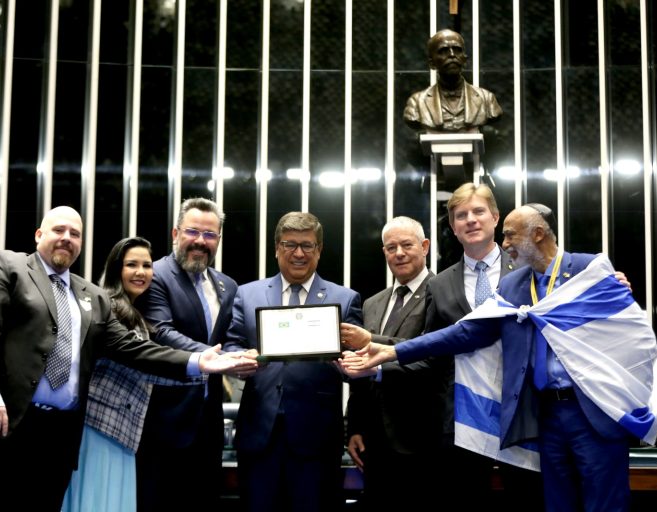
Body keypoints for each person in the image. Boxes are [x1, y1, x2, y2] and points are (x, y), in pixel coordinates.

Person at [0, 206, 256, 512]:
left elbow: (135, 349)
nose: (67, 238)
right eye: (59, 230)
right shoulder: (7, 265)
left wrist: (199, 362)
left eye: (75, 234)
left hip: (58, 436)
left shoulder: (91, 296)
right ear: (39, 234)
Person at [342, 203, 649, 512]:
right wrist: (393, 351)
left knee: (606, 505)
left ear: (538, 234)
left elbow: (630, 334)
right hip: (544, 416)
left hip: (593, 411)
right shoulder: (513, 285)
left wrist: (615, 290)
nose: (504, 244)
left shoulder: (588, 269)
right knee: (557, 504)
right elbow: (467, 332)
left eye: (511, 235)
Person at [224, 211, 363, 512]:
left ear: (319, 250)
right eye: (290, 244)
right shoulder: (247, 294)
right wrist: (240, 360)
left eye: (307, 245)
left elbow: (357, 364)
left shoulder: (345, 298)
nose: (298, 253)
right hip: (259, 436)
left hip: (317, 440)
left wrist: (348, 365)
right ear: (277, 248)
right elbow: (231, 345)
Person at [425, 183, 542, 508]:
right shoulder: (439, 284)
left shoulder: (529, 270)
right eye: (461, 215)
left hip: (520, 414)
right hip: (463, 419)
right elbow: (432, 351)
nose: (471, 220)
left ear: (495, 218)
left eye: (478, 211)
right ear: (453, 227)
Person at [136, 197, 250, 510]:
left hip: (208, 424)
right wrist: (216, 359)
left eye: (210, 234)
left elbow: (231, 340)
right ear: (176, 233)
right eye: (193, 232)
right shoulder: (155, 275)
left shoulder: (228, 286)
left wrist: (243, 356)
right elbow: (162, 332)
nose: (200, 241)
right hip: (163, 421)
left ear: (218, 240)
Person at [62, 237, 192, 510]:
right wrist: (202, 366)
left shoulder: (132, 310)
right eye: (131, 264)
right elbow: (143, 363)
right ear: (116, 268)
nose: (140, 272)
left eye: (147, 265)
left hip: (119, 430)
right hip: (99, 426)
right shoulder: (109, 307)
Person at [339, 216, 450, 510]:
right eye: (391, 247)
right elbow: (362, 371)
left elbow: (434, 357)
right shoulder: (372, 303)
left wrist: (374, 356)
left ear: (425, 246)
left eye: (406, 245)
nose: (399, 253)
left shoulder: (443, 293)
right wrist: (354, 428)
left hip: (423, 440)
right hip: (374, 444)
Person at [403, 29, 502, 133]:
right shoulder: (417, 102)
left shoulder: (487, 99)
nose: (452, 55)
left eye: (457, 50)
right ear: (432, 63)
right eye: (443, 51)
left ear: (464, 59)